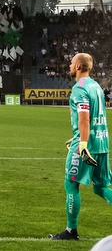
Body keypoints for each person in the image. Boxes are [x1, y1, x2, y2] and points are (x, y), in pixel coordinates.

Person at [48, 53, 112, 241]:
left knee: (71, 184)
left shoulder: (79, 88)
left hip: (86, 145)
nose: (69, 65)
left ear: (78, 67)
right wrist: (78, 135)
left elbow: (84, 117)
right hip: (102, 142)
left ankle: (70, 231)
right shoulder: (96, 86)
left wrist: (82, 143)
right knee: (100, 187)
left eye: (71, 62)